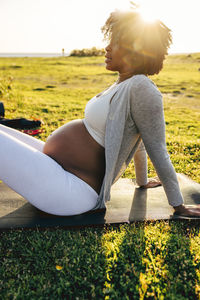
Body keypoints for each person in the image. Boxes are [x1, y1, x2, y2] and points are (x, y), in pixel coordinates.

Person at [0, 8, 200, 217]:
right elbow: (136, 137)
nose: (107, 48)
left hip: (71, 191)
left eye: (115, 43)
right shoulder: (123, 84)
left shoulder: (141, 87)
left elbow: (156, 147)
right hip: (60, 171)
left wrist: (179, 206)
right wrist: (141, 182)